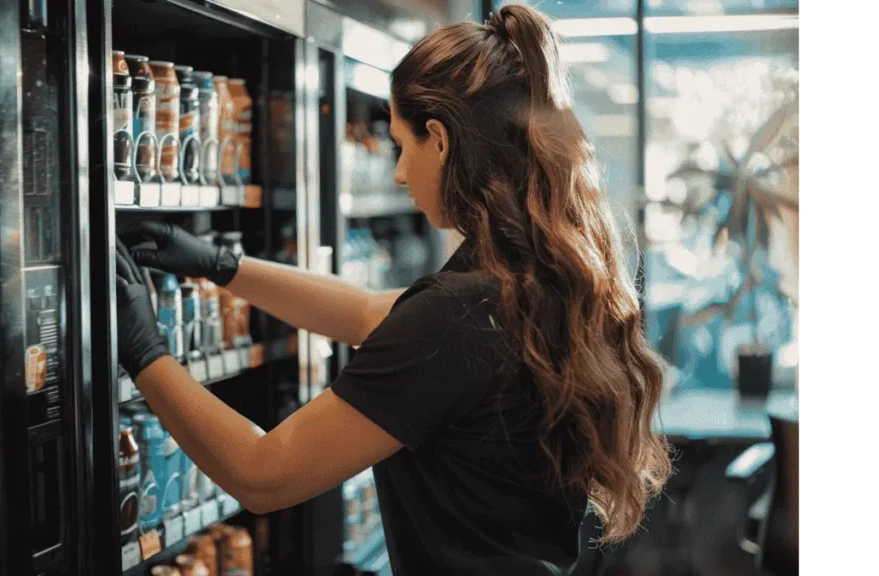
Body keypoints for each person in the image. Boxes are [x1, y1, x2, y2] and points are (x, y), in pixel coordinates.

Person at [114, 4, 673, 575]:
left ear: (441, 140)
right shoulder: (531, 279)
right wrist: (221, 264)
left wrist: (147, 353)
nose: (400, 173)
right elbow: (362, 314)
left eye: (402, 146)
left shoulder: (458, 314)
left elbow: (262, 474)